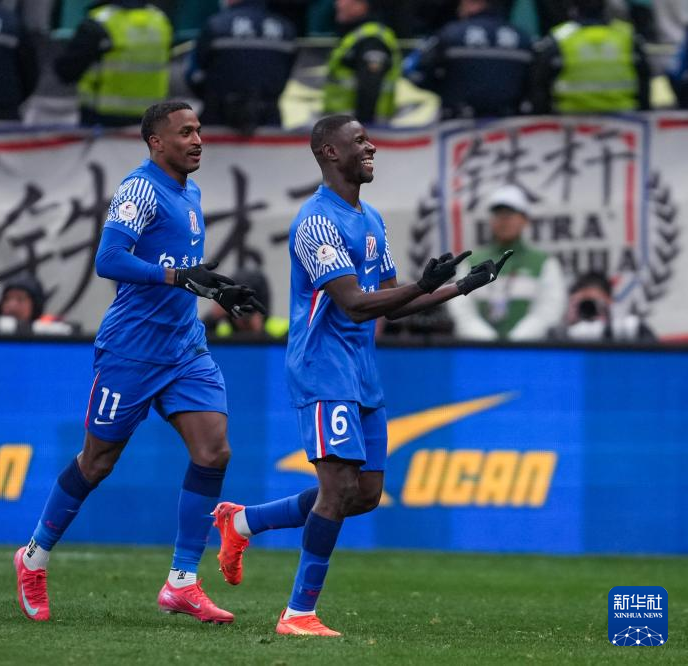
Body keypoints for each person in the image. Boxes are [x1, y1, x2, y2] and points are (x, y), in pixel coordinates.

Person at [209, 114, 512, 636]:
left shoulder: (371, 219)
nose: (371, 147)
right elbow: (351, 303)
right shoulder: (316, 223)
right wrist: (423, 285)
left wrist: (461, 287)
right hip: (322, 366)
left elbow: (392, 302)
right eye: (359, 141)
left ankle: (242, 522)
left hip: (361, 370)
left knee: (365, 493)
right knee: (335, 489)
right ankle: (298, 614)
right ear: (330, 152)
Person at [13, 101, 264, 625]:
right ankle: (33, 557)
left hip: (185, 348)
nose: (197, 140)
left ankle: (182, 581)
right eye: (185, 132)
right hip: (131, 350)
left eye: (199, 130)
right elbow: (108, 259)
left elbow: (182, 269)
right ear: (156, 142)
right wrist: (177, 278)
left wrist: (214, 289)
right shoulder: (140, 189)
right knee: (97, 462)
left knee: (214, 451)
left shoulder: (191, 192)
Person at [447, 184, 566, 341]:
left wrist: (515, 342)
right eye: (498, 214)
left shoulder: (544, 262)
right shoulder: (471, 261)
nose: (503, 220)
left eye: (509, 214)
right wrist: (487, 341)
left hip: (529, 350)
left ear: (525, 220)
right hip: (478, 350)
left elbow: (549, 310)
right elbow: (461, 310)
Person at [406, 0, 533, 119]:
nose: (458, 9)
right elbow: (534, 82)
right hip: (511, 123)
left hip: (457, 123)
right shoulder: (523, 39)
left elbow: (416, 72)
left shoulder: (450, 34)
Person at [54, 1, 172, 127]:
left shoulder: (99, 24)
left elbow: (66, 72)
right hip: (150, 121)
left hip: (102, 122)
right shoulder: (160, 20)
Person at [185, 0, 297, 132]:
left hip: (217, 119)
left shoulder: (216, 25)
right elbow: (287, 73)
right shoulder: (286, 29)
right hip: (268, 120)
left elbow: (193, 73)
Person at [529, 0, 650, 114]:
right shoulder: (628, 36)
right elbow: (645, 82)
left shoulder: (559, 38)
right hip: (627, 120)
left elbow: (539, 87)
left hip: (569, 119)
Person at [323, 0, 402, 125]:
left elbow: (370, 88)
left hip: (362, 127)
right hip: (345, 126)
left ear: (361, 5)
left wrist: (361, 131)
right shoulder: (355, 34)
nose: (338, 4)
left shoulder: (372, 38)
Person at [553, 271, 655, 342]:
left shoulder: (633, 330)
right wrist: (568, 324)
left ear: (609, 304)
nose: (589, 309)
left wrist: (607, 325)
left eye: (592, 304)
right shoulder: (558, 335)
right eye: (584, 305)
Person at [206, 267, 288, 339]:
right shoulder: (223, 332)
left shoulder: (283, 331)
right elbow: (200, 340)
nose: (242, 319)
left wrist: (260, 333)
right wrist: (213, 318)